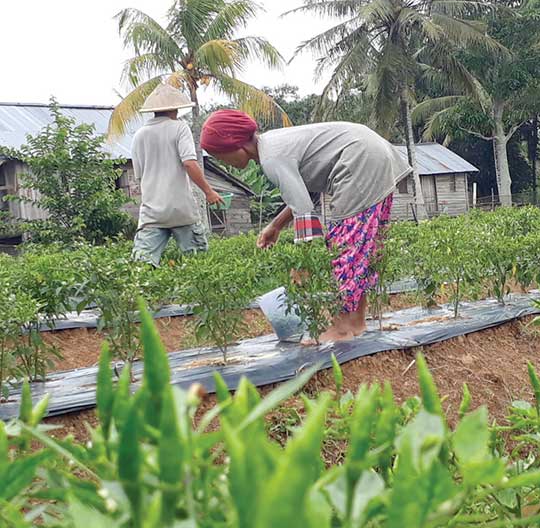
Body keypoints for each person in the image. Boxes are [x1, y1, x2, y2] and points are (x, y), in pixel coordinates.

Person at [200, 110, 412, 343]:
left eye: (220, 156)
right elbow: (303, 196)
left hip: (359, 160)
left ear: (235, 145)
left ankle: (341, 328)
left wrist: (302, 264)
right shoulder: (273, 145)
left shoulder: (272, 158)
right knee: (362, 249)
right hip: (372, 152)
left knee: (345, 246)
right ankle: (356, 321)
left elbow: (304, 213)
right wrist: (276, 226)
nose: (223, 163)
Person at [130, 83, 223, 266]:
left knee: (141, 268)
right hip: (181, 209)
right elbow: (189, 163)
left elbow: (139, 176)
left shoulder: (139, 135)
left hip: (152, 213)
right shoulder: (179, 128)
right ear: (175, 109)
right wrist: (209, 191)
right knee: (198, 264)